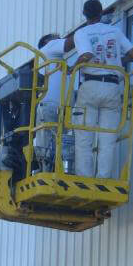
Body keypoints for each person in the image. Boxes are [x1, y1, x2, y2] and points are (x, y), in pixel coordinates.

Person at [73, 0, 133, 178]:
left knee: (84, 138)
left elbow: (87, 54)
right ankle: (103, 178)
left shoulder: (82, 33)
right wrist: (119, 62)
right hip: (112, 87)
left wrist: (72, 69)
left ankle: (84, 179)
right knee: (107, 138)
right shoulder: (114, 31)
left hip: (91, 86)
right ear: (101, 13)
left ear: (84, 14)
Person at [35, 32, 74, 171]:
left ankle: (52, 171)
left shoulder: (57, 62)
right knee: (49, 146)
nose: (59, 37)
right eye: (55, 36)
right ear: (46, 41)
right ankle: (46, 172)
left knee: (56, 146)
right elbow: (72, 41)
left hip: (59, 108)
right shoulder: (48, 48)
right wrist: (92, 28)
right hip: (51, 106)